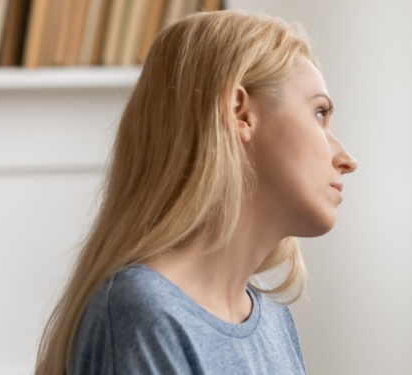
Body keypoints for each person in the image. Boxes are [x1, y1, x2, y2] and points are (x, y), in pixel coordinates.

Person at [33, 10, 357, 374]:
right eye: (319, 113)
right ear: (240, 113)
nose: (347, 159)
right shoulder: (145, 312)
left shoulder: (272, 319)